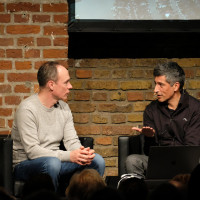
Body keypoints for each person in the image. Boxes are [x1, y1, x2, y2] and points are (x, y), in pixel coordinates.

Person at [11, 61, 105, 193]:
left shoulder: (64, 107)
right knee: (52, 163)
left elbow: (71, 141)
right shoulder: (27, 109)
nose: (70, 86)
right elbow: (32, 151)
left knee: (97, 161)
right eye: (66, 82)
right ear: (51, 85)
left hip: (56, 162)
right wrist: (70, 156)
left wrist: (82, 154)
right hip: (26, 164)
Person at [125, 61, 200, 177]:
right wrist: (150, 137)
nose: (155, 89)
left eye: (161, 84)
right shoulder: (151, 110)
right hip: (159, 161)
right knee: (132, 161)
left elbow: (192, 147)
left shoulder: (195, 108)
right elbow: (148, 151)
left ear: (175, 86)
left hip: (186, 162)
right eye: (155, 84)